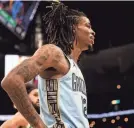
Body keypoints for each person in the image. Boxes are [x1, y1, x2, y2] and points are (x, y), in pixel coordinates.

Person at [1, 2, 95, 128]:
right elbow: (12, 80)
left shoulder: (74, 67)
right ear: (73, 28)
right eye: (88, 26)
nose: (92, 31)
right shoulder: (53, 53)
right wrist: (39, 125)